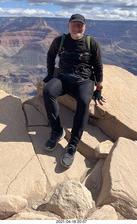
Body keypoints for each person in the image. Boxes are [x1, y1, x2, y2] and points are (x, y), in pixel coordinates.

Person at [42, 14, 106, 168]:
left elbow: (98, 66)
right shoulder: (60, 40)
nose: (77, 28)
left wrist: (98, 90)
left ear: (85, 27)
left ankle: (72, 145)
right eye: (74, 25)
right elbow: (50, 56)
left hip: (85, 80)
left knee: (84, 102)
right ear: (68, 26)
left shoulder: (91, 42)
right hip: (64, 77)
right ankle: (57, 131)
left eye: (80, 25)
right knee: (48, 91)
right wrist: (50, 75)